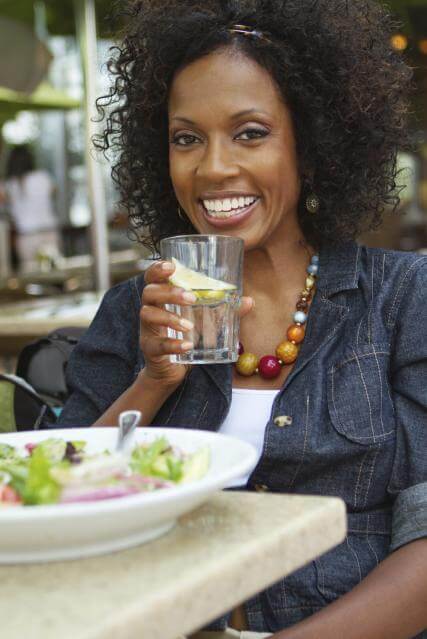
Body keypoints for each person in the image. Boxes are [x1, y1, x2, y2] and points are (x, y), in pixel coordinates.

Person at [57, 1, 427, 637]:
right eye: (186, 138)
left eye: (250, 132)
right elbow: (54, 499)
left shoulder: (402, 299)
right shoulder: (134, 310)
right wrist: (152, 381)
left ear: (311, 147)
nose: (213, 167)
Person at [1, 145, 61, 271]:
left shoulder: (9, 185)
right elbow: (54, 192)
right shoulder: (43, 177)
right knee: (53, 273)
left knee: (31, 277)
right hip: (48, 232)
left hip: (27, 236)